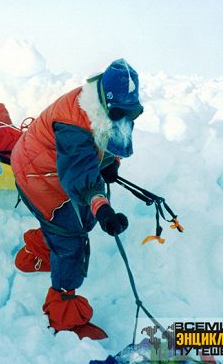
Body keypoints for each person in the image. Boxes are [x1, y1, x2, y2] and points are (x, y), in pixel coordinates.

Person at [11, 59, 144, 340]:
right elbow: (81, 176)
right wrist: (103, 209)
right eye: (120, 110)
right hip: (38, 173)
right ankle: (64, 314)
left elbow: (107, 137)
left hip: (49, 164)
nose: (126, 116)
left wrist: (109, 163)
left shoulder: (102, 107)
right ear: (107, 103)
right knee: (71, 236)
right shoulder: (73, 124)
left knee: (82, 220)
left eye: (132, 112)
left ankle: (37, 250)